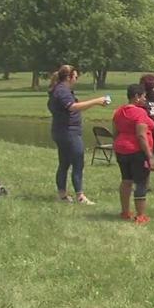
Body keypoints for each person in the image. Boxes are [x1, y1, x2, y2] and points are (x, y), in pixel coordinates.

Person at [47, 65, 109, 204]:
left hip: (61, 130)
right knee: (78, 163)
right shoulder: (62, 91)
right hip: (69, 132)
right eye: (75, 77)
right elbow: (72, 107)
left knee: (64, 163)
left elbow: (75, 106)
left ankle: (62, 195)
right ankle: (80, 196)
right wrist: (96, 101)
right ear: (68, 77)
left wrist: (94, 103)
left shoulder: (60, 90)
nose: (76, 79)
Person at [113, 84, 154, 225]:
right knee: (140, 183)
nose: (145, 99)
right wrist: (149, 156)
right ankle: (141, 215)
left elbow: (115, 131)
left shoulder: (119, 111)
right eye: (143, 96)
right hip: (137, 151)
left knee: (126, 180)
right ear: (136, 97)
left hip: (121, 149)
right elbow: (141, 135)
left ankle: (125, 212)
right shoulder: (139, 113)